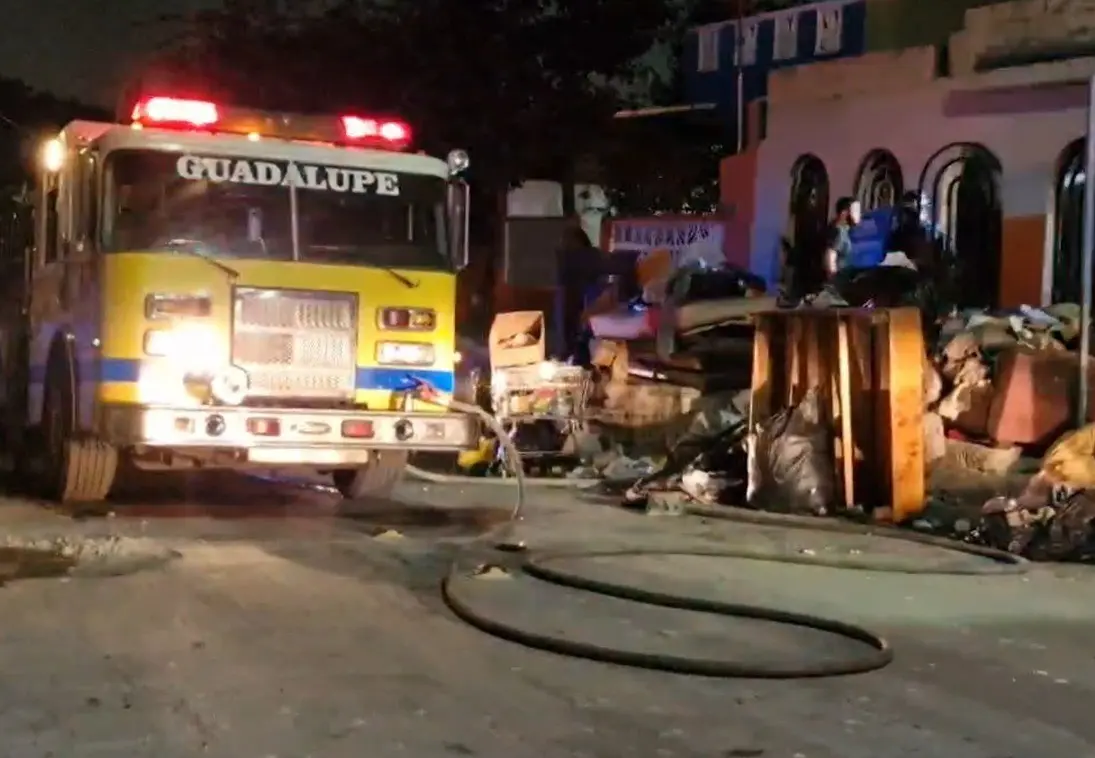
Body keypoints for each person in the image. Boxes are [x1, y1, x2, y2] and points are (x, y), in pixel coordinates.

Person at [824, 197, 861, 279]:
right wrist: (833, 279)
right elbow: (830, 256)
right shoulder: (837, 231)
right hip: (838, 282)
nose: (859, 215)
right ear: (844, 213)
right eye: (856, 211)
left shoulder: (845, 230)